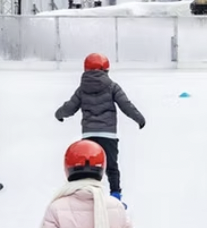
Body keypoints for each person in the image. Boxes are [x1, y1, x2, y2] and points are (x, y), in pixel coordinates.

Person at [54, 53, 146, 198]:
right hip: (108, 135)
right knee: (112, 167)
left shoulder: (82, 89)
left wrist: (59, 114)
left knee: (89, 167)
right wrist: (139, 119)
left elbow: (70, 107)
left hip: (89, 136)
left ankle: (87, 197)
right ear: (106, 70)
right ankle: (116, 196)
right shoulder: (112, 86)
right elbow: (126, 105)